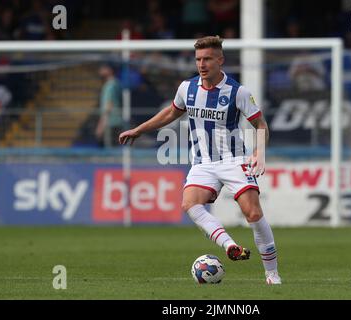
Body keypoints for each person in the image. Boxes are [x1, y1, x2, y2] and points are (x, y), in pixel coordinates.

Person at [119, 36, 281, 285]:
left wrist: (259, 152)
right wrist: (139, 129)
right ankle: (229, 246)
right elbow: (172, 112)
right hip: (202, 162)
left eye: (207, 59)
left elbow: (260, 124)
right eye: (198, 59)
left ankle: (272, 274)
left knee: (253, 213)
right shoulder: (187, 88)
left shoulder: (238, 92)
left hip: (233, 159)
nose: (202, 64)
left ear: (220, 60)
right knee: (190, 204)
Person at [96, 63, 122, 147]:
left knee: (110, 148)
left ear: (110, 70)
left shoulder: (110, 85)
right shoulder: (115, 83)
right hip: (114, 121)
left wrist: (101, 124)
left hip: (111, 122)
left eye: (103, 68)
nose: (100, 70)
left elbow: (108, 105)